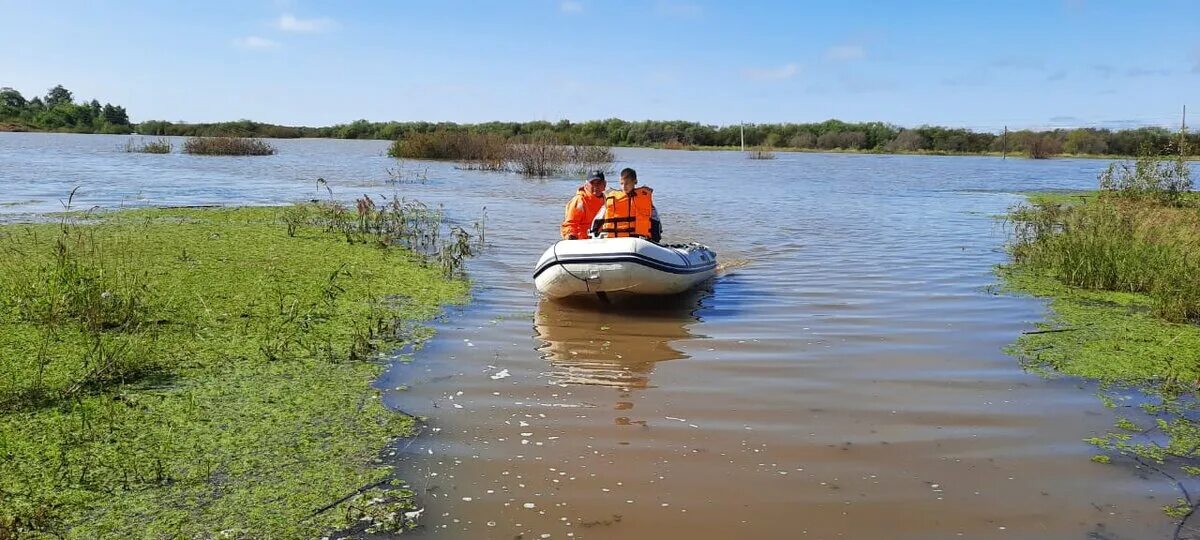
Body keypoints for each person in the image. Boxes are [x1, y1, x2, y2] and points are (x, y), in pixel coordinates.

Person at [591, 168, 662, 242]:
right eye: (621, 183)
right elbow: (598, 219)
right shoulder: (611, 199)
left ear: (635, 181)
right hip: (614, 240)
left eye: (627, 183)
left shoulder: (644, 198)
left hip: (639, 241)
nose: (624, 187)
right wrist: (594, 235)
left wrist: (656, 239)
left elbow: (655, 220)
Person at [560, 170, 607, 240]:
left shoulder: (608, 200)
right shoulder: (579, 201)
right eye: (592, 183)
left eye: (598, 183)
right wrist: (571, 239)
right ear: (586, 184)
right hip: (582, 243)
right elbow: (569, 225)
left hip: (600, 241)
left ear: (604, 184)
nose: (595, 186)